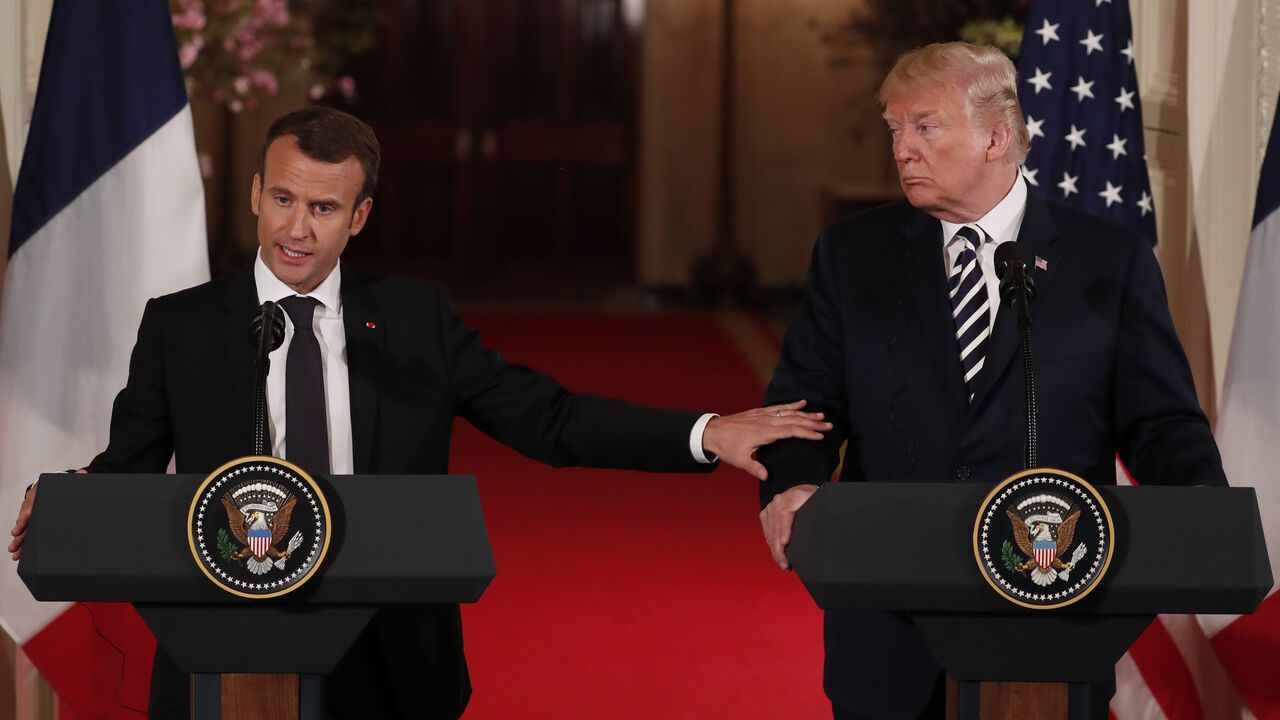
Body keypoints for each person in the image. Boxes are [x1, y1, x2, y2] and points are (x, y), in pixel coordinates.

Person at [8, 106, 832, 719]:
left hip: (387, 650)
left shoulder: (413, 320)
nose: (296, 230)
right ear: (255, 193)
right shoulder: (182, 325)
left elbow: (546, 418)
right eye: (284, 200)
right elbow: (132, 464)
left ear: (360, 216)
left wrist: (704, 433)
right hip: (224, 646)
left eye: (324, 209)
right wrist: (74, 498)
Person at [756, 42, 1226, 720]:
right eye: (895, 129)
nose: (903, 149)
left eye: (926, 126)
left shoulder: (1107, 262)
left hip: (1051, 617)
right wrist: (791, 482)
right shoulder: (852, 256)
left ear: (997, 136)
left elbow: (1160, 423)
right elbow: (803, 406)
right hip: (891, 629)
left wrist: (1203, 511)